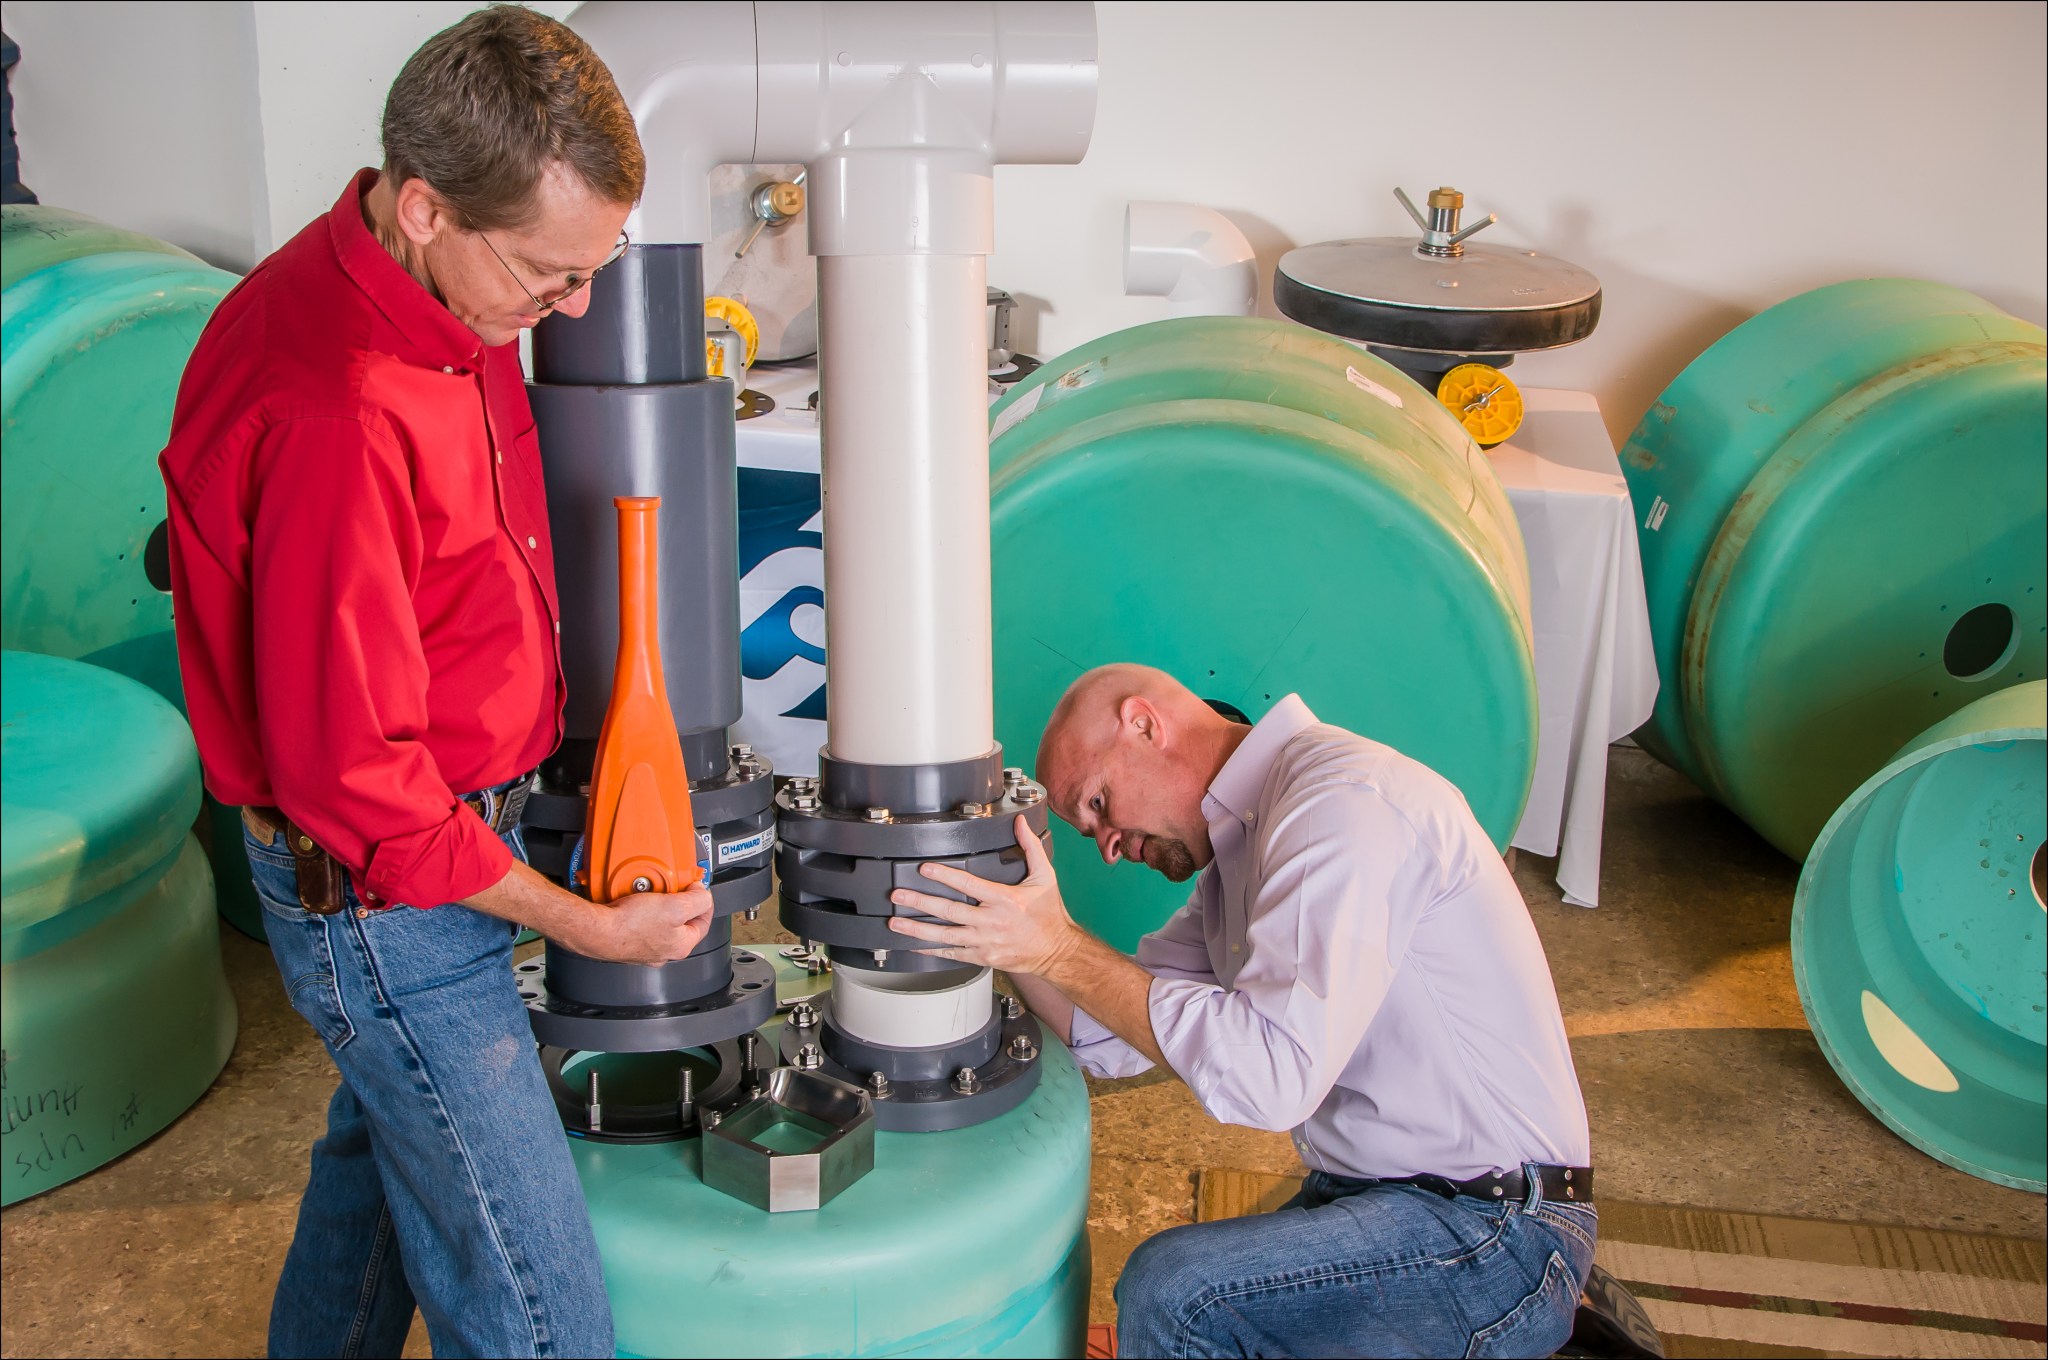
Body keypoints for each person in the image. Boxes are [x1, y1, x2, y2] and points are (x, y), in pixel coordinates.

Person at [157, 8, 709, 1356]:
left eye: (598, 266)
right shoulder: (337, 407)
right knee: (537, 1315)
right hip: (392, 903)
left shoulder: (447, 287)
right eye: (547, 274)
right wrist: (589, 930)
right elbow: (370, 798)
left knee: (381, 1194)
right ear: (422, 206)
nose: (573, 306)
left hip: (462, 838)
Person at [888, 664, 1595, 1359]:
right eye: (1086, 830)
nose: (1106, 849)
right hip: (1379, 1201)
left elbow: (1270, 1079)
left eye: (1099, 803)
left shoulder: (1341, 805)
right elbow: (1100, 1033)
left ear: (1145, 724)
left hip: (1495, 1229)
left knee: (1183, 1295)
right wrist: (1004, 934)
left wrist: (1060, 949)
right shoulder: (1242, 855)